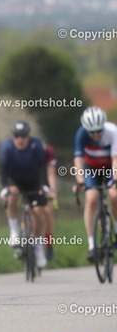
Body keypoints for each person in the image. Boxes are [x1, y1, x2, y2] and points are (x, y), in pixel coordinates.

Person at [0, 120, 48, 269]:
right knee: (12, 196)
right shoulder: (7, 147)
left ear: (29, 136)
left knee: (39, 213)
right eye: (17, 136)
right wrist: (5, 187)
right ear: (12, 136)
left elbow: (42, 166)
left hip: (34, 181)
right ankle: (14, 231)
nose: (20, 139)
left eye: (23, 136)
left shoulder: (36, 145)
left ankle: (38, 246)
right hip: (15, 181)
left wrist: (44, 185)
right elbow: (3, 168)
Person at [72, 106, 117, 263]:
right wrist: (80, 181)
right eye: (92, 132)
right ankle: (92, 245)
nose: (96, 135)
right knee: (91, 199)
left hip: (110, 167)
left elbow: (115, 159)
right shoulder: (81, 134)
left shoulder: (113, 131)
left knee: (114, 195)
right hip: (91, 169)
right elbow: (78, 160)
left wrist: (115, 179)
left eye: (99, 131)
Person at [44, 144, 58, 261]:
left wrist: (53, 191)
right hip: (27, 181)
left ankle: (48, 244)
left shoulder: (47, 150)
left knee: (47, 212)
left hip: (44, 182)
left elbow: (51, 173)